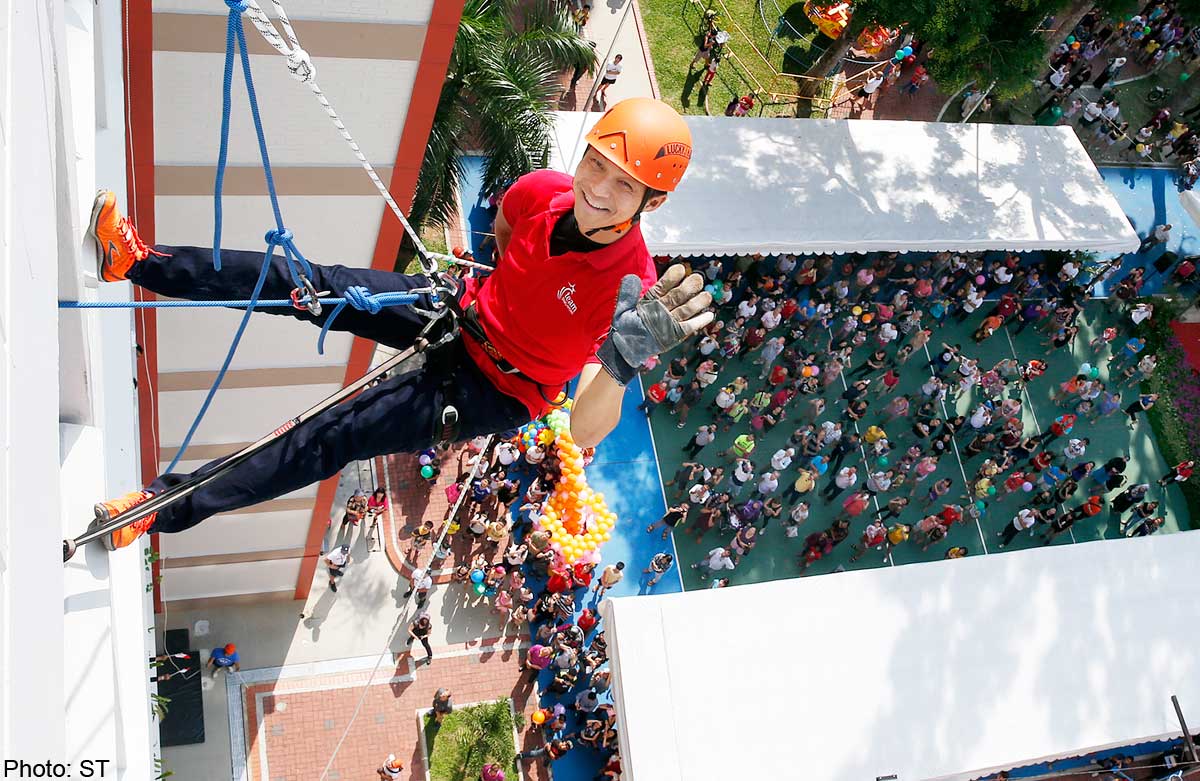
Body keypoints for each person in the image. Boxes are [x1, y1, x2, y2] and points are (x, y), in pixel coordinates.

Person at [87, 98, 711, 551]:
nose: (598, 189)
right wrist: (493, 293)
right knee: (314, 285)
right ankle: (139, 262)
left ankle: (159, 508)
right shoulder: (546, 191)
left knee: (334, 434)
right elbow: (506, 235)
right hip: (462, 307)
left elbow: (583, 427)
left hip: (493, 388)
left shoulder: (630, 288)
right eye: (597, 165)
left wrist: (623, 362)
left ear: (651, 204)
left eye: (624, 186)